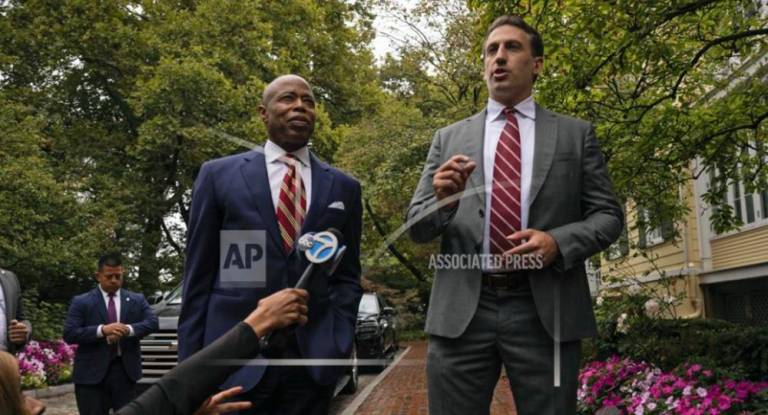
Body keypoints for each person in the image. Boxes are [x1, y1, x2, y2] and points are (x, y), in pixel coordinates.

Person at [407, 15, 624, 415]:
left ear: (537, 64)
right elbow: (417, 227)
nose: (499, 58)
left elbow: (609, 216)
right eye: (492, 50)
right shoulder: (449, 138)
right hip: (462, 313)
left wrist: (558, 242)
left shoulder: (576, 135)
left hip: (546, 311)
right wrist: (445, 201)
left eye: (512, 48)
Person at [179, 74, 362, 415]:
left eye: (308, 101)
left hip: (311, 368)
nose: (300, 107)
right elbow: (198, 279)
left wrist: (337, 340)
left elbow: (348, 277)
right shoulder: (219, 176)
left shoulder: (344, 188)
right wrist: (191, 378)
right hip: (234, 368)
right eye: (288, 99)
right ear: (263, 113)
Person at [0, 288, 310, 415]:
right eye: (18, 395)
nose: (39, 405)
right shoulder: (83, 302)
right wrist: (256, 324)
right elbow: (164, 396)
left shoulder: (137, 302)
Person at [63, 254, 159, 415]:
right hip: (90, 377)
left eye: (118, 276)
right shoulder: (82, 302)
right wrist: (102, 330)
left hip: (125, 372)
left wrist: (127, 330)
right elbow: (70, 333)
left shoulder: (137, 300)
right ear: (98, 276)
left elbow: (152, 323)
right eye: (109, 276)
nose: (114, 280)